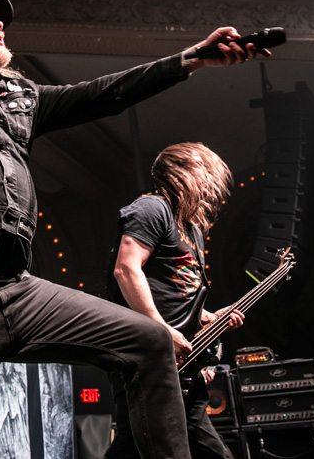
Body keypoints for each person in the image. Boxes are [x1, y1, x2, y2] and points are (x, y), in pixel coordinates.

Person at [0, 0, 270, 459]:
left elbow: (108, 93)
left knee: (150, 343)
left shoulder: (22, 101)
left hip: (18, 293)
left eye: (2, 21)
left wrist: (193, 59)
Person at [105, 143, 245, 459]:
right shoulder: (153, 209)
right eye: (205, 173)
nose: (211, 185)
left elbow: (177, 293)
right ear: (182, 174)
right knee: (134, 443)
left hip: (180, 362)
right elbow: (126, 269)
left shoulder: (192, 228)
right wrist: (160, 329)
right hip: (146, 354)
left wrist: (210, 319)